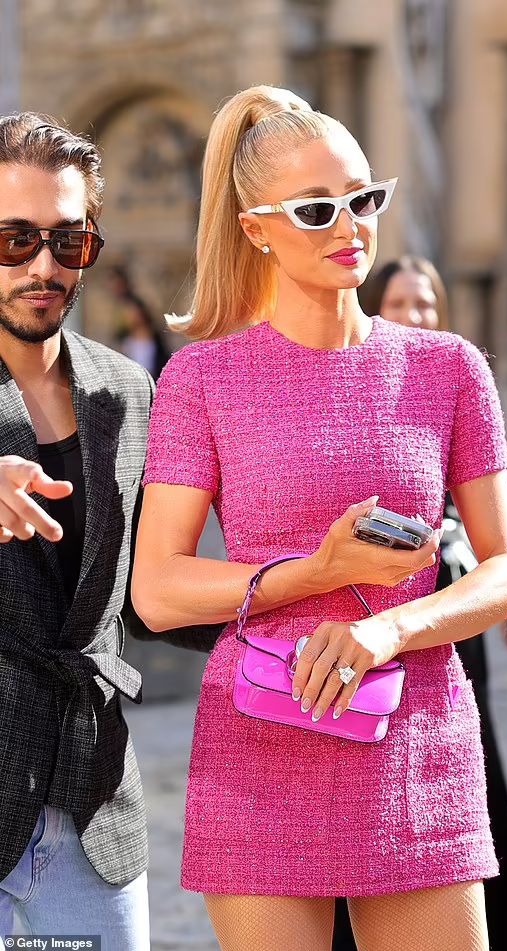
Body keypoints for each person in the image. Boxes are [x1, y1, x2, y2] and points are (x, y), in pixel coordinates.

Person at [132, 85, 507, 951]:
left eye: (365, 198)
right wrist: (318, 573)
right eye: (319, 209)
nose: (352, 225)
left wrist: (389, 630)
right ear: (256, 229)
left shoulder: (449, 368)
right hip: (259, 745)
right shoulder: (202, 380)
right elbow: (160, 590)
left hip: (417, 733)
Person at [0, 113, 219, 950]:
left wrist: (296, 593)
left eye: (68, 240)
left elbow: (146, 592)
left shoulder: (127, 391)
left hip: (92, 802)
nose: (43, 266)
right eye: (15, 239)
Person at [366, 256, 507, 951]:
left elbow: (484, 515)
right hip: (374, 614)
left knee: (470, 770)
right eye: (403, 300)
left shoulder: (453, 379)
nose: (417, 314)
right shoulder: (358, 383)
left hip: (452, 605)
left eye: (428, 302)